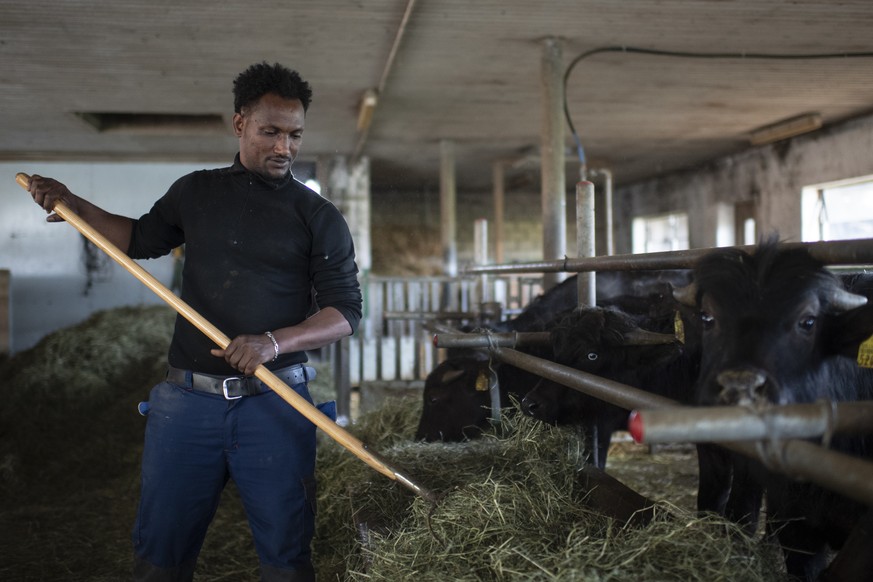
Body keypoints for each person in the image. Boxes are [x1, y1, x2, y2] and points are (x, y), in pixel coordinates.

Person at [26, 62, 362, 581]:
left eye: (294, 135)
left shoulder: (317, 216)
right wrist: (75, 205)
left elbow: (345, 313)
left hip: (276, 403)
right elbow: (139, 239)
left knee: (286, 557)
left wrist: (273, 343)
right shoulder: (196, 193)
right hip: (186, 405)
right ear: (239, 125)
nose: (283, 147)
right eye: (269, 131)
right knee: (161, 553)